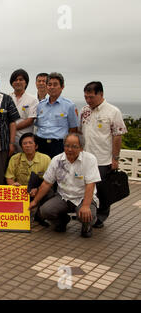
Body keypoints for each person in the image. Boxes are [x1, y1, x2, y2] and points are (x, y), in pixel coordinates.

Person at [29, 133, 101, 238]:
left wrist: (85, 206)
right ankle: (62, 222)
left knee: (87, 215)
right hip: (63, 196)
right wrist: (35, 201)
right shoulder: (57, 160)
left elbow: (91, 184)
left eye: (74, 146)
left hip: (83, 197)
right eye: (67, 146)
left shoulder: (90, 159)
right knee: (45, 211)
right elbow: (47, 183)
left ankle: (87, 227)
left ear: (81, 148)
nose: (69, 149)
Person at [79, 81, 128, 228]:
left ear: (101, 94)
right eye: (86, 97)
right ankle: (87, 212)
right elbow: (80, 132)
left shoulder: (113, 111)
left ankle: (101, 217)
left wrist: (115, 158)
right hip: (85, 157)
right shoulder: (84, 110)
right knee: (85, 188)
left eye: (91, 97)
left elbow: (117, 136)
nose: (88, 100)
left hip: (103, 159)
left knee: (102, 190)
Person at [5, 132, 51, 226]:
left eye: (30, 143)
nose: (27, 146)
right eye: (24, 144)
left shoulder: (46, 159)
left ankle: (40, 215)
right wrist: (13, 185)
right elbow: (9, 177)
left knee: (50, 193)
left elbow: (50, 181)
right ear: (21, 147)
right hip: (20, 194)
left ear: (36, 146)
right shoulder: (15, 158)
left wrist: (38, 189)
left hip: (38, 192)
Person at [35, 72, 78, 159]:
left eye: (55, 84)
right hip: (41, 143)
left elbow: (73, 129)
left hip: (59, 145)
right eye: (49, 84)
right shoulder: (40, 105)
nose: (52, 87)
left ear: (62, 87)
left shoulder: (69, 106)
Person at [9, 69, 39, 152]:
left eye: (21, 80)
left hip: (25, 140)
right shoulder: (7, 98)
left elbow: (30, 120)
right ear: (12, 83)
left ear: (26, 82)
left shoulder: (33, 99)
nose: (18, 82)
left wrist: (12, 128)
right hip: (8, 139)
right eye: (15, 80)